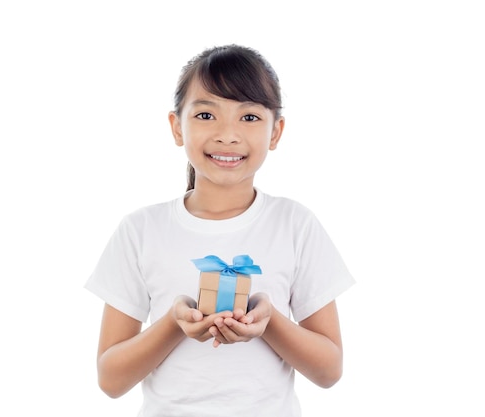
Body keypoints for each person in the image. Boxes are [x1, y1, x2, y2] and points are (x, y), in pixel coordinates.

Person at [85, 44, 355, 416]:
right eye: (207, 114)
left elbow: (329, 371)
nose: (228, 135)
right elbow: (111, 381)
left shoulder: (295, 225)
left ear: (276, 133)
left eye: (249, 118)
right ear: (176, 126)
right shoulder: (140, 230)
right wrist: (174, 324)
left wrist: (269, 320)